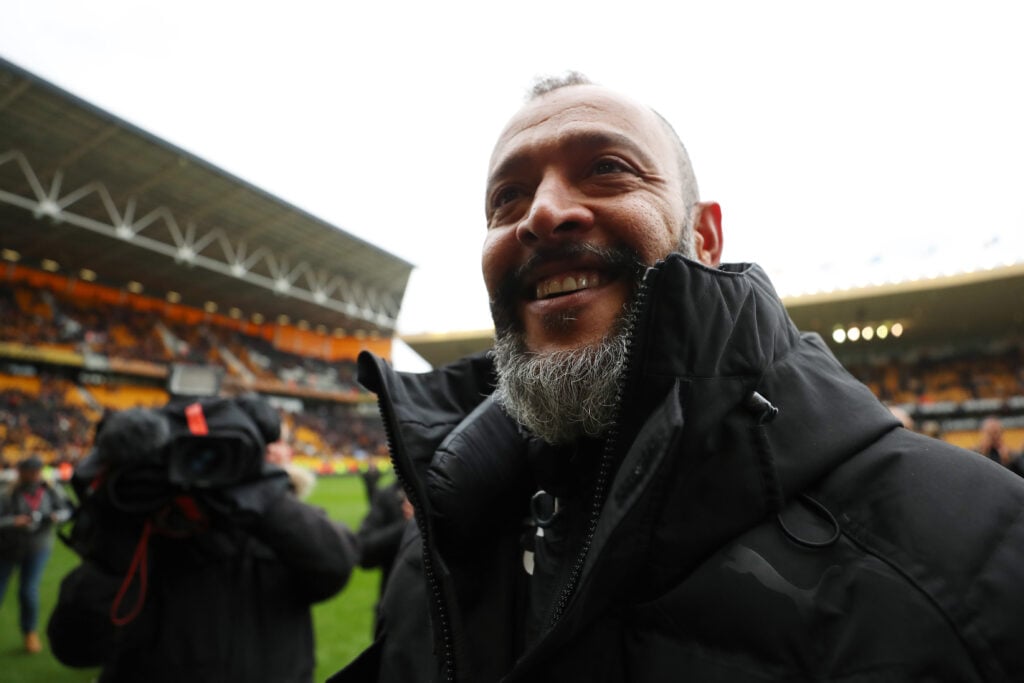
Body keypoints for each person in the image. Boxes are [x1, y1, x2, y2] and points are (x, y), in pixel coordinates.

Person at [331, 73, 1024, 682]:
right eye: (507, 197)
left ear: (708, 236)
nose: (542, 211)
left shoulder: (972, 547)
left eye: (606, 167)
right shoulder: (441, 549)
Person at [47, 396, 358, 682]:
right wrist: (121, 522)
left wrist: (258, 491)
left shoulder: (278, 517)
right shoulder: (146, 529)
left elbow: (333, 566)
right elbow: (76, 647)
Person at [0, 455, 72, 653]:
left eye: (37, 471)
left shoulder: (50, 490)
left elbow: (69, 509)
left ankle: (30, 633)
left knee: (28, 591)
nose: (34, 475)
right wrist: (13, 522)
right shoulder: (6, 492)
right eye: (30, 471)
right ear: (21, 472)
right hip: (6, 549)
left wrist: (57, 516)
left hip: (37, 547)